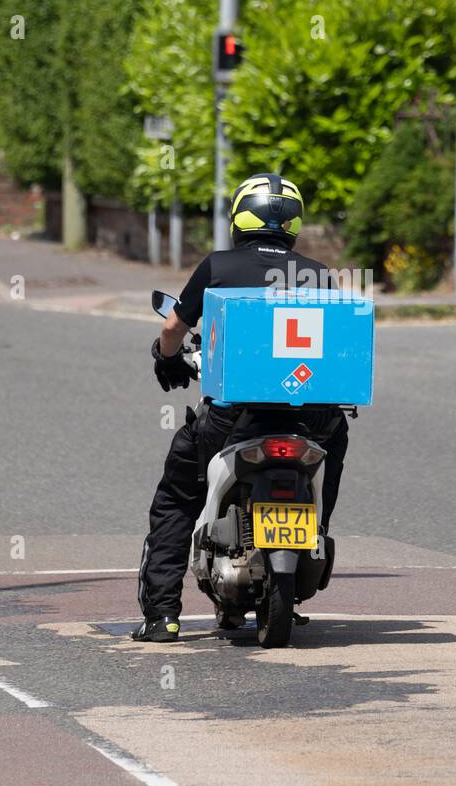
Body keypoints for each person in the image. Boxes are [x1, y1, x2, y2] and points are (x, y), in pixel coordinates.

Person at [132, 173, 349, 642]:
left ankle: (163, 616)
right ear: (292, 223)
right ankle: (315, 529)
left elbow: (173, 328)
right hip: (310, 417)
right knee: (336, 442)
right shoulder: (318, 274)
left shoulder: (218, 266)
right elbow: (333, 350)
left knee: (176, 499)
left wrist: (166, 357)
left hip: (235, 420)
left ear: (240, 216)